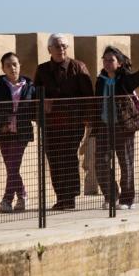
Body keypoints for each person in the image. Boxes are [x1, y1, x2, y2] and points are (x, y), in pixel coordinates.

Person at [34, 33, 94, 210]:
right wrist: (43, 104)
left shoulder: (78, 67)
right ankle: (61, 196)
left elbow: (88, 96)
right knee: (53, 159)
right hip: (51, 123)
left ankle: (70, 197)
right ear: (49, 49)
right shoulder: (42, 70)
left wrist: (87, 120)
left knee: (68, 158)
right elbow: (35, 94)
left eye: (64, 46)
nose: (61, 49)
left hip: (73, 122)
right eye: (57, 46)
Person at [93, 46, 139, 210]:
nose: (107, 63)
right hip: (104, 126)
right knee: (100, 163)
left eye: (111, 60)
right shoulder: (100, 79)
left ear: (119, 63)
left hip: (123, 126)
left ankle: (127, 199)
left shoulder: (123, 78)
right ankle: (111, 195)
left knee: (125, 163)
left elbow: (134, 80)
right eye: (105, 59)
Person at [0, 52, 37, 213]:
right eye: (8, 65)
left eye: (15, 64)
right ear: (3, 68)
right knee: (12, 168)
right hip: (4, 134)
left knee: (13, 166)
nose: (12, 68)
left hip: (22, 133)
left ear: (20, 66)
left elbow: (36, 109)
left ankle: (6, 200)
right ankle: (23, 195)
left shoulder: (30, 87)